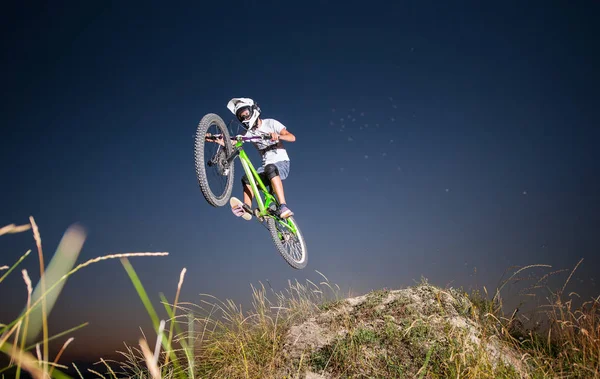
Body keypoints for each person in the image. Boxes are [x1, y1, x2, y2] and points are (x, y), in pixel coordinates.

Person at [225, 97, 296, 219]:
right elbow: (231, 141)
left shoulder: (271, 123)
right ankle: (246, 207)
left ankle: (283, 206)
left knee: (270, 168)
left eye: (246, 113)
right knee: (247, 178)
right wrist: (211, 138)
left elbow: (292, 137)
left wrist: (277, 136)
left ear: (253, 110)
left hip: (281, 163)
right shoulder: (249, 132)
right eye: (241, 117)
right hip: (265, 168)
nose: (244, 118)